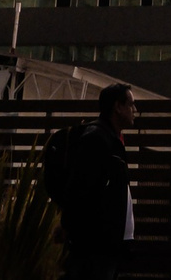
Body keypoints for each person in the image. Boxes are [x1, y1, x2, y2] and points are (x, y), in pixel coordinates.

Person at [58, 83, 139, 280]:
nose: (134, 110)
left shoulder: (113, 139)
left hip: (109, 244)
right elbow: (80, 188)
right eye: (131, 105)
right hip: (96, 245)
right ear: (117, 107)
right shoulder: (97, 139)